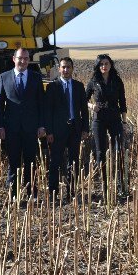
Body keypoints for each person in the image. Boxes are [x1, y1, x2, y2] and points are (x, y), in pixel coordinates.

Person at [0, 48, 46, 200]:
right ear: (13, 59)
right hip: (12, 128)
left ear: (29, 60)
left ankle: (32, 193)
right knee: (13, 162)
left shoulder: (36, 78)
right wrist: (0, 126)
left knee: (31, 161)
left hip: (31, 128)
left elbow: (41, 104)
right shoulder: (4, 77)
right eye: (20, 58)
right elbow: (0, 105)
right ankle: (13, 194)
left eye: (26, 58)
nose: (23, 61)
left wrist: (41, 125)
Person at [44, 57, 89, 197]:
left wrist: (85, 129)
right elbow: (48, 111)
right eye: (63, 67)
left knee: (74, 161)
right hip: (57, 131)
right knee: (55, 161)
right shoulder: (52, 87)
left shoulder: (79, 86)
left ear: (72, 68)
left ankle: (72, 191)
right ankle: (53, 192)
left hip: (74, 129)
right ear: (59, 69)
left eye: (68, 67)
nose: (66, 70)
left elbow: (84, 110)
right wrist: (49, 131)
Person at [85, 54, 127, 195]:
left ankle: (122, 185)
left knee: (119, 149)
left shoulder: (117, 81)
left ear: (111, 65)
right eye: (101, 64)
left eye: (106, 63)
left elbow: (123, 102)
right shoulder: (93, 81)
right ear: (98, 66)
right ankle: (104, 186)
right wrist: (92, 106)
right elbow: (83, 100)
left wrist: (125, 121)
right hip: (99, 119)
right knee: (100, 152)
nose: (104, 66)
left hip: (114, 117)